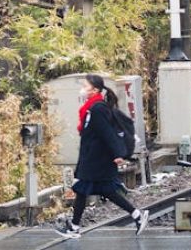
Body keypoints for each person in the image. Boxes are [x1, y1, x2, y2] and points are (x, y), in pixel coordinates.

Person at [62, 74, 149, 238]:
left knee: (81, 189)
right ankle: (137, 215)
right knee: (106, 191)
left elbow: (107, 133)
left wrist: (118, 153)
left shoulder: (98, 109)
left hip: (97, 160)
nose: (82, 88)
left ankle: (74, 228)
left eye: (85, 85)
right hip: (93, 158)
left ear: (94, 89)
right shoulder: (92, 108)